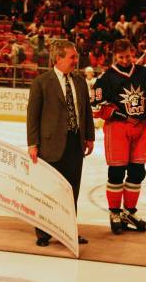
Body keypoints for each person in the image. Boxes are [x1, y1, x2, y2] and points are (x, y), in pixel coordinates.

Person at [27, 40, 95, 246]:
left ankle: (67, 231)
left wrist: (90, 136)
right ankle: (43, 233)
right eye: (72, 57)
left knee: (71, 190)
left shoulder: (80, 81)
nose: (76, 60)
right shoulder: (41, 82)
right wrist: (32, 143)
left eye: (76, 56)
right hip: (50, 145)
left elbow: (86, 111)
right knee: (48, 190)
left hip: (75, 143)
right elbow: (32, 115)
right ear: (58, 58)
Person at [92, 39, 146, 235]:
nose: (125, 60)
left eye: (128, 56)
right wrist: (124, 116)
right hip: (118, 129)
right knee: (117, 172)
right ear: (115, 56)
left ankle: (129, 211)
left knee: (138, 172)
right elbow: (97, 107)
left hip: (141, 127)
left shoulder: (144, 73)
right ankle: (114, 212)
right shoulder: (105, 79)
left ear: (133, 53)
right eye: (121, 57)